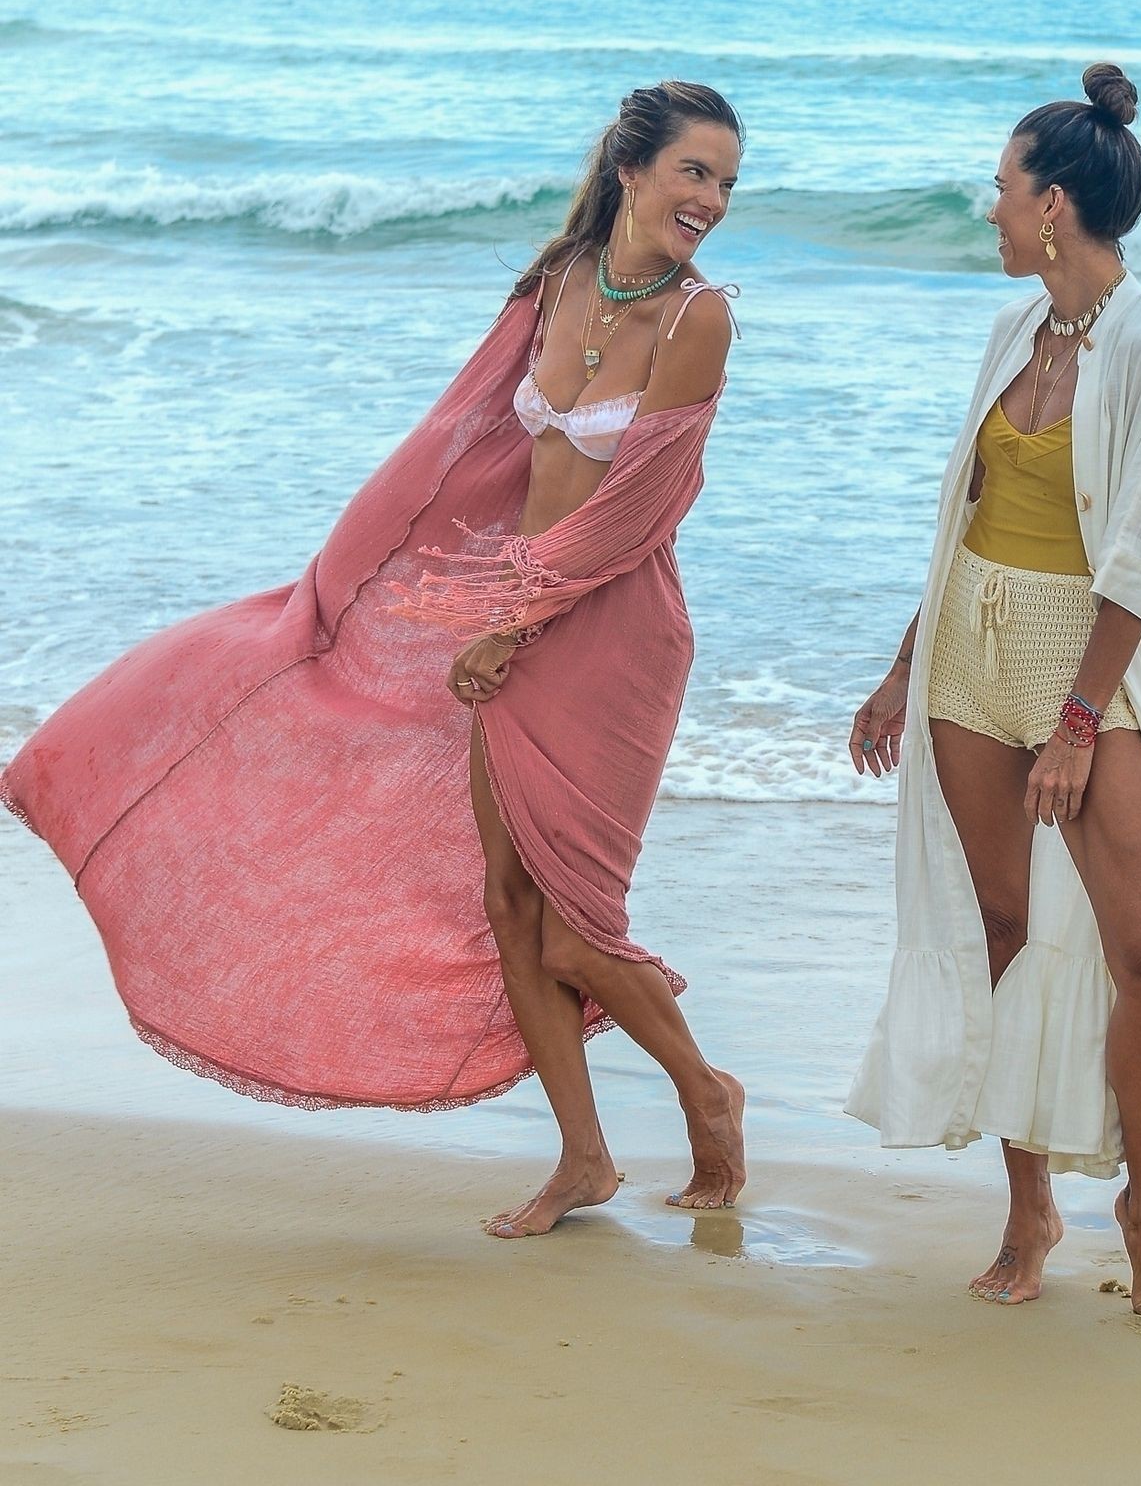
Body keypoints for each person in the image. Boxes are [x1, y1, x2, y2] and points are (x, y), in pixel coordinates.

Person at [2, 80, 747, 1239]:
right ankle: (584, 1159)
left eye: (728, 183)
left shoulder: (699, 319)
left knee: (571, 923)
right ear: (632, 170)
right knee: (507, 902)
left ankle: (706, 1094)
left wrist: (510, 621)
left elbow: (642, 508)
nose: (711, 200)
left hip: (610, 633)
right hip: (511, 615)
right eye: (695, 172)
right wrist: (352, 586)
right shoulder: (556, 283)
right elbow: (459, 441)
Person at [845, 65, 1141, 1321]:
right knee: (1003, 931)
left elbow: (1139, 557)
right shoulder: (1013, 331)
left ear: (1053, 205)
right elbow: (968, 511)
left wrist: (1079, 723)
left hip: (1079, 663)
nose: (988, 209)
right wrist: (905, 665)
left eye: (1001, 189)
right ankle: (1028, 1206)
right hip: (968, 652)